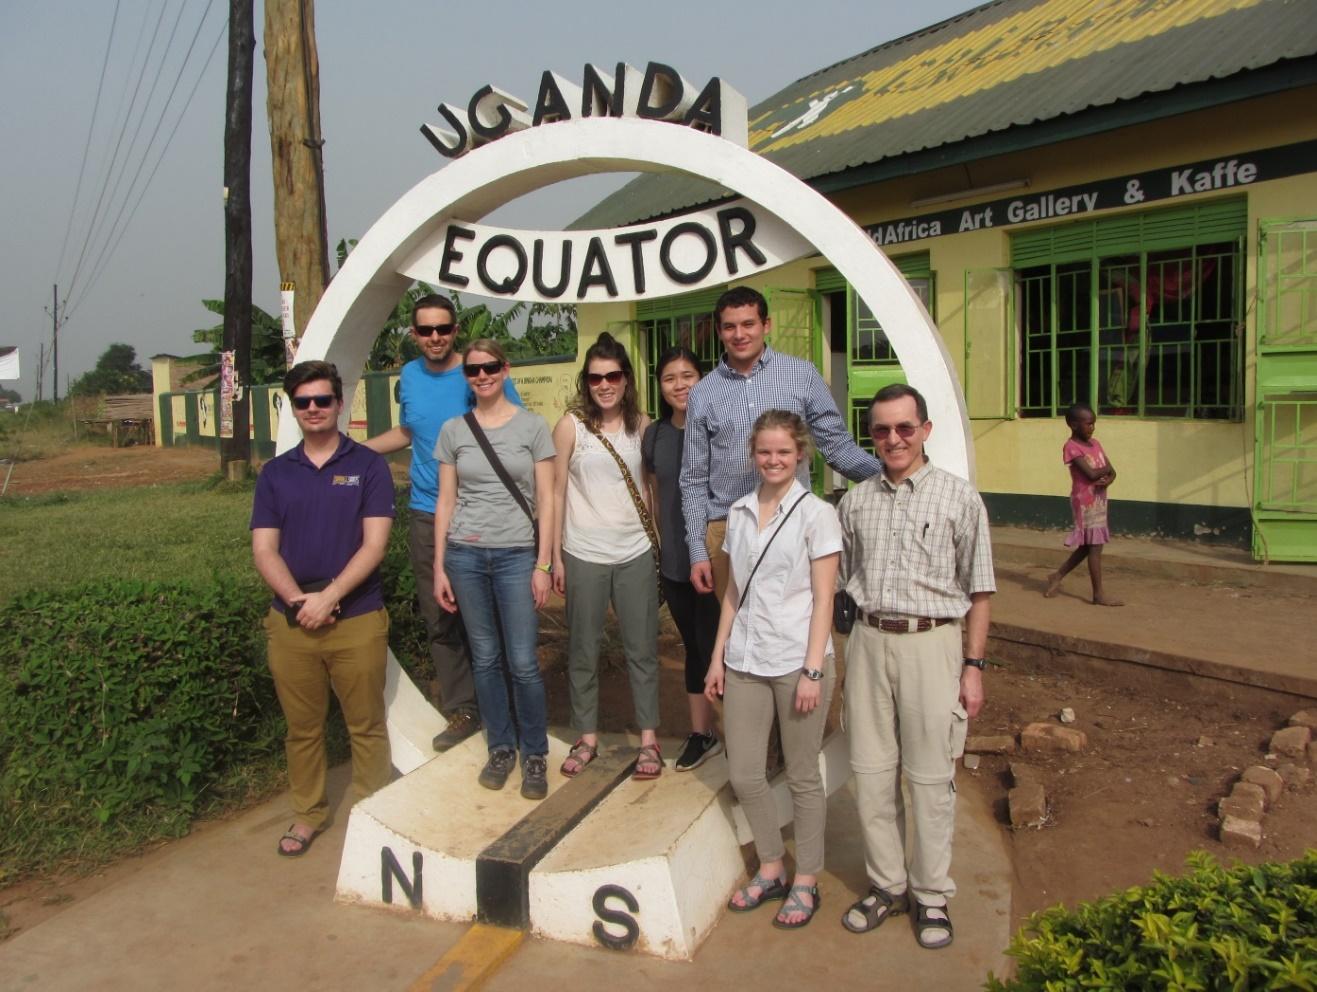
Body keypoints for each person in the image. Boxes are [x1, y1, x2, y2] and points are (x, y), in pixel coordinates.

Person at [837, 382, 995, 950]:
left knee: (930, 779)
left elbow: (979, 591)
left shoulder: (959, 498)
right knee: (873, 775)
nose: (894, 438)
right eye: (882, 429)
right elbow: (844, 580)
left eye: (905, 427)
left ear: (925, 430)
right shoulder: (854, 502)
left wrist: (972, 667)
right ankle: (887, 884)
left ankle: (931, 895)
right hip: (871, 643)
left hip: (935, 646)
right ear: (872, 436)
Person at [365, 294, 523, 753]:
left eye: (443, 329)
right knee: (440, 616)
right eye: (425, 330)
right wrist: (354, 450)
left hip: (480, 513)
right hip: (426, 511)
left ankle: (505, 704)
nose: (435, 338)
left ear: (455, 330)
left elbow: (512, 429)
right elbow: (410, 433)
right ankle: (464, 708)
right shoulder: (410, 377)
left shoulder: (479, 371)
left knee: (490, 613)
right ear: (414, 334)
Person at [251, 360, 395, 857]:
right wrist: (298, 602)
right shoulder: (275, 473)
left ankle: (376, 816)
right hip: (293, 621)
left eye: (323, 400)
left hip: (355, 617)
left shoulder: (367, 466)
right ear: (293, 410)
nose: (314, 409)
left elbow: (375, 545)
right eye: (303, 402)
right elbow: (265, 549)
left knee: (367, 725)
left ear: (340, 404)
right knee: (303, 729)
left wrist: (330, 597)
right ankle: (308, 815)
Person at [704, 410, 841, 929]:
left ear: (800, 454)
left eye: (784, 452)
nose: (774, 460)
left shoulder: (816, 514)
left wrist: (811, 671)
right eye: (765, 452)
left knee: (803, 774)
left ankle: (807, 878)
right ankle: (770, 865)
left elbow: (824, 599)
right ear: (753, 454)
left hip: (796, 659)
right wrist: (718, 656)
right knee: (744, 771)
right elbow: (734, 593)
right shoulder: (738, 512)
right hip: (744, 659)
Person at [681, 285, 882, 602]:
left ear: (766, 325)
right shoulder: (703, 394)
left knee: (796, 623)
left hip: (791, 521)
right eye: (730, 326)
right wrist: (697, 549)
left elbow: (837, 447)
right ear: (719, 331)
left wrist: (892, 476)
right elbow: (693, 477)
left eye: (748, 323)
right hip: (727, 529)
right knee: (739, 631)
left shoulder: (801, 375)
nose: (739, 334)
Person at [433, 340, 555, 800]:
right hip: (465, 554)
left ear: (505, 369)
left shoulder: (533, 426)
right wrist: (439, 566)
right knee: (484, 659)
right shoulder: (454, 430)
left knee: (523, 661)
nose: (481, 376)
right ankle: (501, 747)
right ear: (466, 376)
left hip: (515, 554)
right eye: (473, 370)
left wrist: (543, 563)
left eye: (489, 367)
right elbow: (446, 501)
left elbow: (546, 499)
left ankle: (535, 751)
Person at [552, 333, 662, 781]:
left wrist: (660, 546)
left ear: (626, 378)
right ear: (586, 381)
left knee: (643, 651)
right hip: (583, 552)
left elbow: (652, 488)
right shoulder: (570, 426)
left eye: (613, 375)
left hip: (635, 551)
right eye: (595, 377)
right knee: (582, 650)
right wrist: (555, 556)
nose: (604, 385)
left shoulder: (644, 424)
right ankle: (587, 737)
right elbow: (556, 490)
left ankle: (650, 741)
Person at [643, 347, 722, 772]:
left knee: (723, 649)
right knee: (695, 647)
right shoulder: (655, 435)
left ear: (703, 378)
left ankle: (751, 738)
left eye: (688, 375)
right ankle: (702, 733)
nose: (680, 385)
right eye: (670, 377)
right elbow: (657, 495)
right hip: (676, 561)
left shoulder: (719, 427)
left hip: (717, 561)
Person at [1044, 403, 1121, 606]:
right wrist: (1105, 471)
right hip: (1085, 502)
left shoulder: (1095, 444)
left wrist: (1108, 478)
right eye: (1088, 424)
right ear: (1073, 425)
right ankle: (1098, 595)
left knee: (1089, 546)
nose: (1092, 428)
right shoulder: (1071, 447)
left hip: (1099, 500)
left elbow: (1112, 472)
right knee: (1094, 546)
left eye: (1094, 423)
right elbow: (1091, 473)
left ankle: (1057, 575)